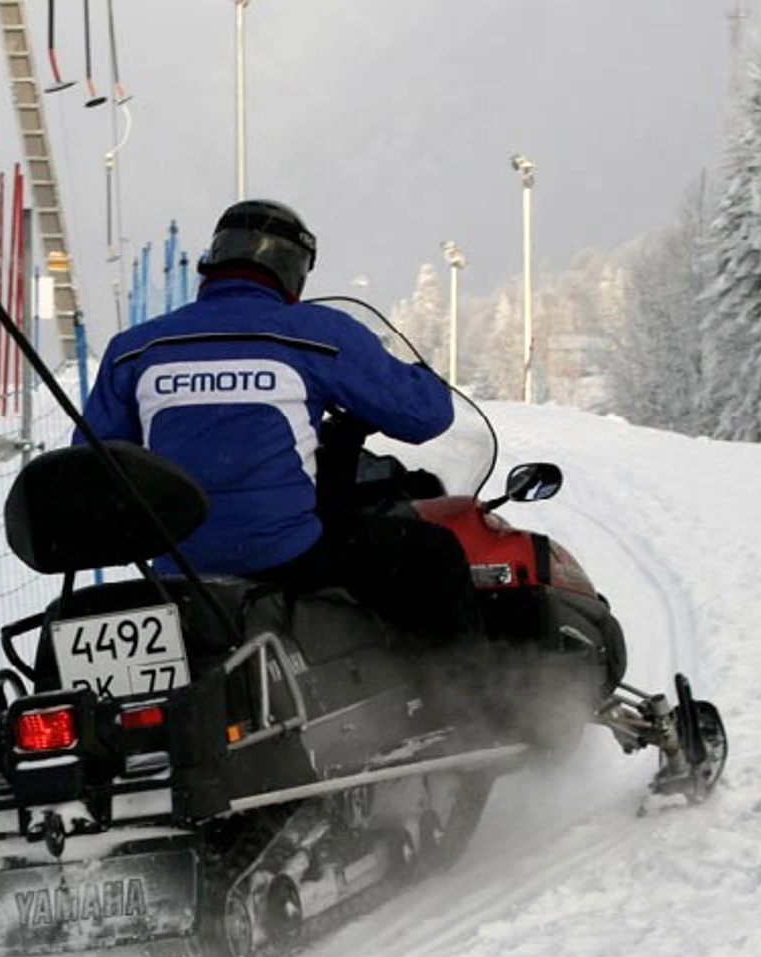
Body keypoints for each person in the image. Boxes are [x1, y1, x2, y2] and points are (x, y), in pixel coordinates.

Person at [78, 198, 481, 652]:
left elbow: (94, 461)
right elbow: (425, 414)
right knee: (433, 555)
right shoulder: (313, 333)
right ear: (294, 269)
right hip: (282, 550)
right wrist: (422, 379)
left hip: (178, 562)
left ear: (216, 258)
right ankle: (471, 707)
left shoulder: (134, 348)